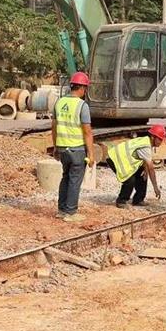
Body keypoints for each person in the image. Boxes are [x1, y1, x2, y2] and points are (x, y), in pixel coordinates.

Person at [51, 72, 95, 222]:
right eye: (85, 88)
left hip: (63, 148)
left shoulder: (59, 102)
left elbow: (54, 127)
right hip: (77, 149)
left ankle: (62, 210)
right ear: (82, 88)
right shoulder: (82, 106)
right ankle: (71, 212)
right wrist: (91, 154)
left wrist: (56, 147)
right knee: (75, 180)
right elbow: (87, 132)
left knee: (65, 177)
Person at [108, 125, 166, 208]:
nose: (161, 142)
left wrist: (145, 170)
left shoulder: (146, 141)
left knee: (142, 174)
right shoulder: (146, 146)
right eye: (159, 139)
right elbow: (151, 169)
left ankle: (138, 199)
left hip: (120, 157)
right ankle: (121, 201)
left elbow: (144, 159)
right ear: (153, 137)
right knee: (129, 179)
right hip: (115, 158)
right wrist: (155, 188)